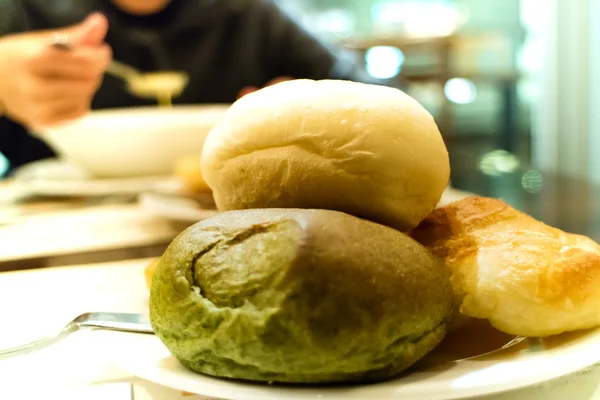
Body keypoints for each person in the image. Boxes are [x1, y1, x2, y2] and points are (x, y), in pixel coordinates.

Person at [0, 0, 383, 173]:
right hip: (48, 237)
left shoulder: (251, 14)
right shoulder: (21, 10)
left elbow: (379, 101)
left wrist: (313, 103)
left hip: (223, 219)